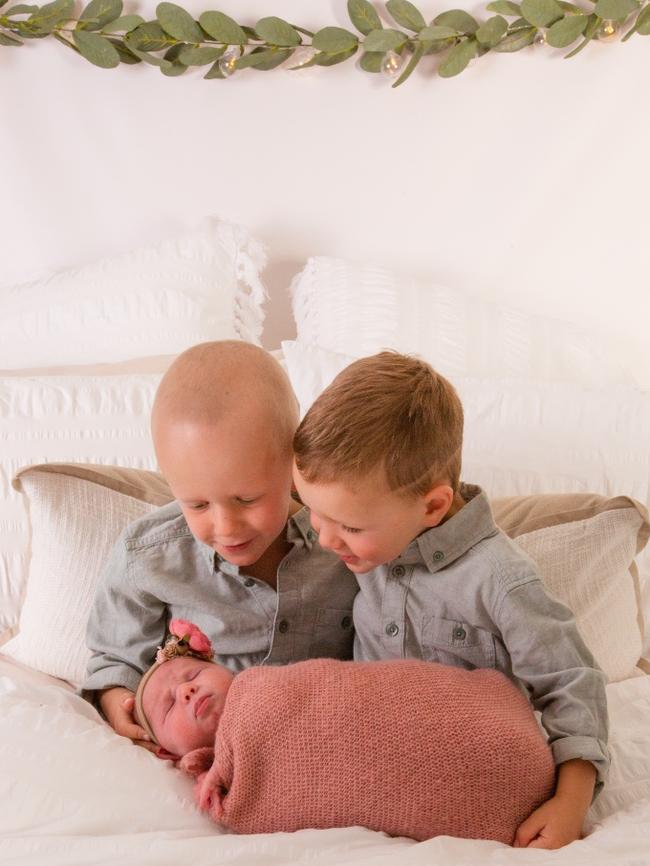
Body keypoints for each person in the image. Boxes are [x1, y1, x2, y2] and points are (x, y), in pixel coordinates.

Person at [292, 351, 610, 851]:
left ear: (434, 506)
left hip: (474, 777)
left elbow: (570, 679)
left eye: (349, 526)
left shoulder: (500, 581)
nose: (326, 539)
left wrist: (572, 797)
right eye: (312, 511)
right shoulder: (363, 544)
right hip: (367, 769)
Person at [84, 341, 358, 753]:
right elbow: (114, 658)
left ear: (293, 463)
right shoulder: (148, 557)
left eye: (247, 499)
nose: (226, 527)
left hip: (328, 736)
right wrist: (114, 699)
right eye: (197, 504)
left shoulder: (345, 538)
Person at [135, 620, 556, 844]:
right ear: (166, 753)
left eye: (193, 674)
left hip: (461, 710)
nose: (186, 690)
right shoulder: (230, 787)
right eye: (170, 705)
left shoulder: (266, 685)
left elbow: (357, 695)